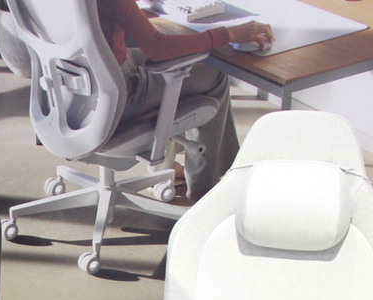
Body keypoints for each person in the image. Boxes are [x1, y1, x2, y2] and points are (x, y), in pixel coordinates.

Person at [97, 0, 274, 200]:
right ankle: (205, 186)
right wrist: (229, 34)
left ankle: (163, 168)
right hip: (122, 95)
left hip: (81, 92)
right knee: (213, 75)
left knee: (171, 61)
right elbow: (158, 47)